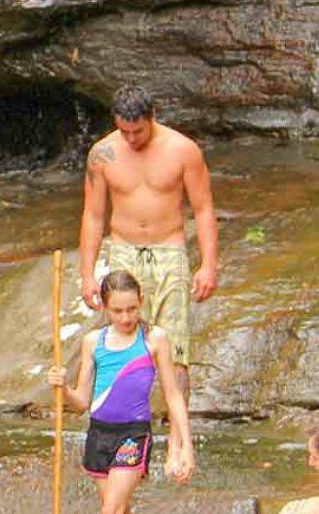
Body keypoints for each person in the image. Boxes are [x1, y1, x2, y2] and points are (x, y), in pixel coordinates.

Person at [49, 270, 194, 514]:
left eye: (132, 308)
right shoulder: (94, 341)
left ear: (141, 301)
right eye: (117, 310)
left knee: (110, 513)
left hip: (133, 435)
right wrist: (62, 388)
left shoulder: (154, 338)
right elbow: (81, 402)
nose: (126, 317)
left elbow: (173, 395)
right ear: (104, 307)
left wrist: (185, 448)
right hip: (99, 434)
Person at [79, 84, 217, 395]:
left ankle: (179, 437)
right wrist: (87, 275)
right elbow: (93, 215)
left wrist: (208, 265)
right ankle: (127, 426)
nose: (131, 139)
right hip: (123, 249)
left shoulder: (183, 150)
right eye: (124, 131)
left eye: (138, 131)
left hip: (169, 249)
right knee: (122, 342)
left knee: (175, 348)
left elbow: (203, 208)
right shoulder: (102, 154)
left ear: (152, 117)